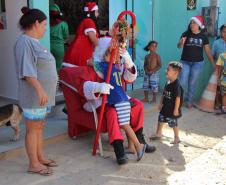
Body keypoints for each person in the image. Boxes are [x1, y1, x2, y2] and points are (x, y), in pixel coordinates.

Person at [60, 42, 156, 165]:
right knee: (112, 113)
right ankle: (119, 149)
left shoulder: (114, 65)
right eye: (109, 52)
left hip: (118, 98)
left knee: (138, 105)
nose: (114, 56)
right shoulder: (97, 67)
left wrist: (129, 61)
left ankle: (139, 141)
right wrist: (98, 86)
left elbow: (129, 78)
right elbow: (83, 85)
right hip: (100, 101)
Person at [14, 7, 58, 176]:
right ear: (36, 23)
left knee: (39, 127)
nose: (46, 28)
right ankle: (33, 163)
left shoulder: (33, 41)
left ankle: (40, 157)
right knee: (33, 129)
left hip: (42, 97)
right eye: (44, 24)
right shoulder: (24, 42)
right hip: (34, 96)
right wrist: (40, 90)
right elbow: (26, 72)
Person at [93, 47, 147, 161]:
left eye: (108, 55)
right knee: (126, 123)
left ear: (112, 58)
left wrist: (90, 61)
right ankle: (132, 147)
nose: (105, 56)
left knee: (124, 125)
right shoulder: (116, 68)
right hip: (123, 99)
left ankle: (138, 145)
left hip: (119, 101)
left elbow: (94, 64)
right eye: (106, 53)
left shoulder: (106, 66)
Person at [177, 15, 215, 108]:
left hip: (198, 63)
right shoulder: (185, 34)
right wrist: (182, 42)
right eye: (191, 23)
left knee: (192, 82)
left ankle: (189, 101)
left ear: (199, 25)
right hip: (185, 62)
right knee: (182, 82)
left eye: (194, 23)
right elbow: (179, 46)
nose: (191, 24)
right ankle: (179, 101)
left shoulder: (204, 36)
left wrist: (213, 63)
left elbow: (207, 51)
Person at [150, 61, 183, 144]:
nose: (166, 71)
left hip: (172, 109)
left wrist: (176, 109)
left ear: (175, 73)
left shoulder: (176, 85)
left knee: (173, 124)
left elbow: (178, 98)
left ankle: (177, 137)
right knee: (160, 119)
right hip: (165, 107)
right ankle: (158, 133)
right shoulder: (168, 82)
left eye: (168, 69)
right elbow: (164, 94)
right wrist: (161, 103)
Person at [63, 2, 99, 67]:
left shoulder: (85, 21)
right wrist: (103, 47)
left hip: (77, 53)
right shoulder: (89, 21)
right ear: (92, 13)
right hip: (80, 55)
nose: (98, 14)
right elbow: (93, 39)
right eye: (96, 12)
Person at [49, 3, 69, 72]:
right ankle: (57, 81)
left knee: (47, 65)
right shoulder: (63, 24)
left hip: (47, 45)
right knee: (58, 66)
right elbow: (66, 36)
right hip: (59, 47)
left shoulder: (45, 23)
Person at [212, 24, 226, 109]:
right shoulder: (216, 43)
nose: (225, 33)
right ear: (221, 32)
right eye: (224, 31)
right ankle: (217, 103)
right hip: (218, 68)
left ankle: (223, 104)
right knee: (217, 86)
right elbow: (212, 55)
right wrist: (215, 67)